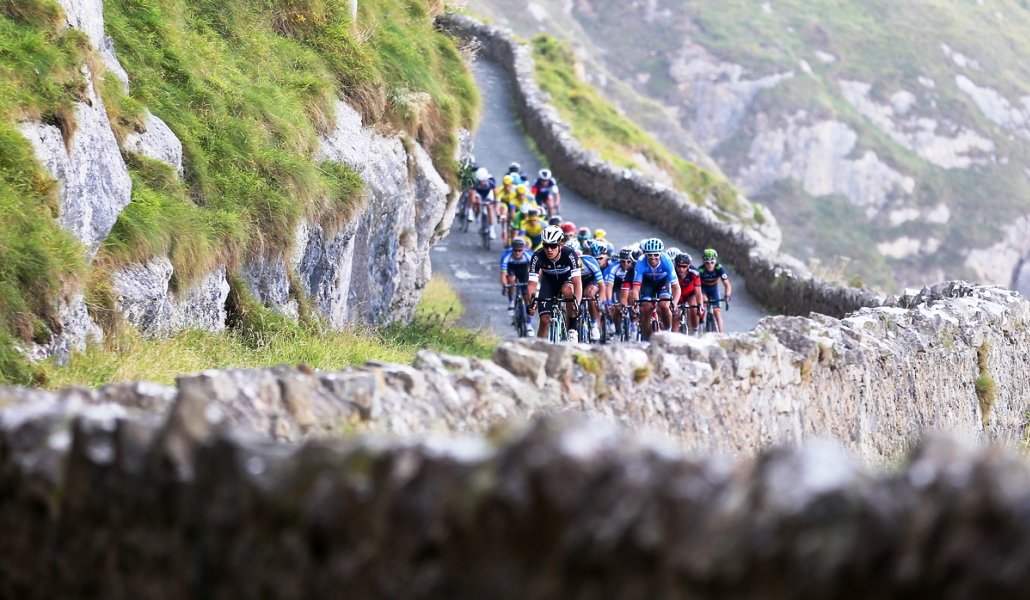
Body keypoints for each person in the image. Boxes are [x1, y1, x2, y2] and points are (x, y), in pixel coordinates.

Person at [527, 225, 583, 342]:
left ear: (561, 245)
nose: (549, 250)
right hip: (548, 283)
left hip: (565, 280)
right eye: (546, 245)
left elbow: (577, 282)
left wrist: (576, 302)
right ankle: (539, 351)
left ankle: (572, 328)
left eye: (553, 246)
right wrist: (530, 303)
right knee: (544, 321)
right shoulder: (537, 256)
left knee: (569, 290)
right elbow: (532, 284)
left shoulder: (570, 254)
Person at [630, 238, 680, 341]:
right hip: (648, 283)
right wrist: (636, 303)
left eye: (656, 255)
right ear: (645, 254)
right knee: (646, 308)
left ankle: (668, 332)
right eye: (650, 255)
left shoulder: (666, 261)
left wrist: (674, 302)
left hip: (662, 282)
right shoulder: (640, 262)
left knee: (664, 305)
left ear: (661, 254)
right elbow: (636, 288)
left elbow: (676, 287)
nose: (653, 258)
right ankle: (645, 339)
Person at [579, 240, 608, 340]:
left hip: (593, 281)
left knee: (590, 294)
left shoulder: (608, 265)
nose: (598, 261)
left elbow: (603, 286)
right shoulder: (587, 261)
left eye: (600, 258)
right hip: (579, 281)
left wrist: (601, 302)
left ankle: (594, 324)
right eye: (595, 258)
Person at [500, 238, 533, 325]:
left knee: (527, 298)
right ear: (512, 249)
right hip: (512, 270)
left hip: (523, 272)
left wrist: (535, 284)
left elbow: (537, 271)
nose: (517, 252)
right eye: (515, 250)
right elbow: (503, 274)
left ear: (523, 249)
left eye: (520, 250)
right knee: (511, 279)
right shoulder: (506, 255)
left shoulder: (529, 255)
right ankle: (511, 301)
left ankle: (529, 324)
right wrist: (505, 287)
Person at [698, 249, 731, 332]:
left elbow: (727, 285)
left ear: (715, 262)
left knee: (717, 313)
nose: (710, 265)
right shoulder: (700, 270)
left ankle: (721, 335)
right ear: (703, 262)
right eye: (707, 263)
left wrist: (727, 295)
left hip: (714, 290)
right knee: (703, 304)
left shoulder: (719, 268)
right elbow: (696, 286)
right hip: (703, 289)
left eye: (712, 262)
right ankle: (700, 323)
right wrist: (702, 296)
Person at [671, 253, 704, 334]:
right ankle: (674, 337)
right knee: (676, 315)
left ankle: (695, 331)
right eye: (679, 266)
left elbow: (698, 292)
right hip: (678, 294)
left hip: (690, 293)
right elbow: (670, 289)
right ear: (675, 265)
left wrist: (700, 305)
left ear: (688, 266)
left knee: (694, 308)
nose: (681, 269)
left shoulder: (694, 272)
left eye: (684, 266)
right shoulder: (672, 271)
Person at [607, 247, 636, 336]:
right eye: (623, 261)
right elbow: (609, 286)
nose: (625, 264)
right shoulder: (613, 267)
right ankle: (618, 331)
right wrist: (609, 301)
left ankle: (634, 325)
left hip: (630, 286)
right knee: (617, 308)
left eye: (628, 262)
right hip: (617, 287)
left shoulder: (636, 268)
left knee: (633, 302)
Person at [469, 168, 497, 239]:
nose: (482, 183)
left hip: (488, 193)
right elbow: (473, 194)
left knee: (489, 207)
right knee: (478, 201)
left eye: (484, 181)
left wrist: (495, 202)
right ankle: (476, 215)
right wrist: (474, 203)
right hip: (479, 194)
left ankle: (491, 228)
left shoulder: (491, 181)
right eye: (480, 181)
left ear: (486, 179)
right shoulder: (475, 182)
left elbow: (495, 192)